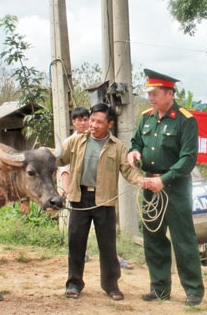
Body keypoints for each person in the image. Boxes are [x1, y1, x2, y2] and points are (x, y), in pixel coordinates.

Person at [127, 69, 204, 306]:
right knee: (153, 237)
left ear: (169, 93)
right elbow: (136, 141)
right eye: (149, 93)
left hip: (175, 187)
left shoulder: (185, 120)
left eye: (155, 93)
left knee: (183, 238)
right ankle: (159, 288)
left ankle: (193, 290)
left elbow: (188, 158)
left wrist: (165, 179)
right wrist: (134, 152)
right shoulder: (147, 117)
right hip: (150, 185)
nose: (151, 98)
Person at [58, 103, 143, 300]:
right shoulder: (76, 141)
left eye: (99, 122)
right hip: (79, 198)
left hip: (104, 200)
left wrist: (141, 180)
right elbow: (59, 159)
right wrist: (44, 154)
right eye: (92, 120)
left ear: (110, 124)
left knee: (108, 246)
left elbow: (128, 170)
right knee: (76, 243)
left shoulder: (118, 147)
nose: (93, 125)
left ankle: (111, 285)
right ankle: (74, 284)